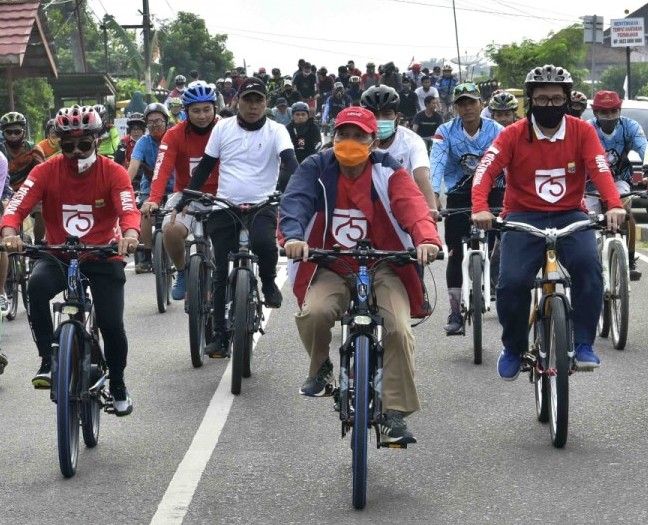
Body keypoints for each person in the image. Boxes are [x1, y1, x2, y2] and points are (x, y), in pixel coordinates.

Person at [279, 106, 441, 444]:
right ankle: (321, 368)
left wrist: (426, 239)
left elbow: (411, 204)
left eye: (359, 136)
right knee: (314, 313)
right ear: (333, 136)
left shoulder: (388, 169)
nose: (350, 142)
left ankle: (395, 412)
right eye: (343, 135)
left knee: (397, 327)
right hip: (333, 263)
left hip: (384, 264)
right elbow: (295, 202)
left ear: (373, 140)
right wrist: (293, 237)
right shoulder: (316, 166)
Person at [471, 64, 626, 379]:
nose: (549, 105)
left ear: (567, 101)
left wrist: (613, 204)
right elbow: (485, 169)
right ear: (530, 100)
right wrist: (480, 208)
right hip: (522, 216)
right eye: (542, 99)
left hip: (571, 214)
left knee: (589, 270)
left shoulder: (582, 132)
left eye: (557, 99)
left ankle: (583, 343)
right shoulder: (512, 134)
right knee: (511, 283)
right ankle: (513, 347)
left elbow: (600, 169)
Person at [0, 104, 140, 415]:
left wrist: (129, 236)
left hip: (104, 255)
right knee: (35, 287)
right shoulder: (45, 170)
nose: (76, 152)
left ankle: (117, 383)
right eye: (68, 146)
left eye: (84, 144)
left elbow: (129, 209)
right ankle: (48, 361)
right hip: (58, 254)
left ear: (97, 140)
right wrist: (10, 232)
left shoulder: (113, 172)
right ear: (59, 144)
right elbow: (17, 207)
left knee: (111, 324)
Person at [175, 77, 299, 357]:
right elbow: (205, 167)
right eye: (247, 100)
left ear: (266, 104)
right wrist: (188, 195)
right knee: (220, 273)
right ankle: (220, 335)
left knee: (266, 246)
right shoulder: (222, 129)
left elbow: (291, 163)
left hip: (262, 204)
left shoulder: (277, 130)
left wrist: (300, 189)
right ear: (237, 102)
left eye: (259, 101)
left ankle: (267, 282)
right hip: (225, 205)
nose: (253, 106)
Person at [430, 82, 503, 335]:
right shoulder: (445, 131)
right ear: (455, 107)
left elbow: (511, 163)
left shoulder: (498, 130)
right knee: (454, 252)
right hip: (459, 194)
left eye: (472, 102)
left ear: (481, 104)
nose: (467, 107)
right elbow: (437, 162)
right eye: (462, 103)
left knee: (502, 243)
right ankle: (454, 312)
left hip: (495, 191)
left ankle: (501, 293)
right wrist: (434, 196)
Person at [140, 84, 220, 301]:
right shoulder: (174, 134)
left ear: (215, 108)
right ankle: (183, 270)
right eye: (196, 111)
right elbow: (162, 168)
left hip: (223, 195)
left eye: (207, 109)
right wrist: (154, 199)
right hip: (185, 196)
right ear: (186, 111)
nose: (202, 116)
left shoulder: (226, 129)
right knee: (171, 230)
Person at [587, 90, 646, 281]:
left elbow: (644, 148)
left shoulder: (630, 127)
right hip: (590, 183)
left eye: (613, 111)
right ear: (595, 113)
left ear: (619, 110)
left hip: (620, 179)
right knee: (589, 221)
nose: (609, 116)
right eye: (604, 112)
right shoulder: (587, 129)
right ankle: (588, 261)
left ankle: (629, 258)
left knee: (626, 211)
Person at [361, 85, 439, 216]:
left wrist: (431, 208)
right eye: (374, 114)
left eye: (386, 114)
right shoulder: (356, 141)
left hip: (403, 207)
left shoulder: (413, 141)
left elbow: (421, 176)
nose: (380, 120)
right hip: (365, 207)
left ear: (397, 118)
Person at [0, 112, 45, 310]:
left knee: (42, 209)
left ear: (23, 132)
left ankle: (37, 245)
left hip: (29, 192)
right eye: (8, 132)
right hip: (9, 192)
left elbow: (43, 176)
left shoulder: (34, 150)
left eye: (17, 131)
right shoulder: (1, 150)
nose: (13, 136)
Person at [129, 104, 173, 274]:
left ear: (166, 121)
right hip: (150, 189)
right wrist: (123, 187)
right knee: (145, 212)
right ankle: (147, 255)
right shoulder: (143, 142)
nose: (155, 125)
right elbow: (133, 168)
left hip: (174, 188)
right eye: (150, 122)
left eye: (158, 121)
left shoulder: (174, 137)